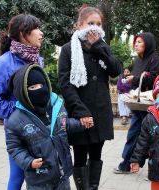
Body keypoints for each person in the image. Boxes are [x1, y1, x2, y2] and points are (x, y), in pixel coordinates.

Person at [58, 6, 122, 190]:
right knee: (80, 156)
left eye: (98, 24)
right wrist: (80, 112)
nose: (94, 27)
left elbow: (115, 70)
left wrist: (100, 47)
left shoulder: (102, 46)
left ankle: (93, 187)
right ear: (79, 25)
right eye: (90, 23)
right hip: (80, 112)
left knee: (96, 154)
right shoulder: (68, 49)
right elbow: (65, 84)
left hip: (101, 112)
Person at [6, 64, 85, 190]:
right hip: (39, 180)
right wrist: (28, 162)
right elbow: (14, 147)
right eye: (32, 87)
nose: (39, 90)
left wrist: (82, 123)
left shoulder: (57, 106)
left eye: (41, 85)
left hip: (63, 174)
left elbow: (65, 124)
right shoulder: (15, 120)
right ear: (22, 92)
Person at [0, 14, 44, 190]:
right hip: (18, 132)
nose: (41, 33)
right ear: (23, 33)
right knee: (17, 176)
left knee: (43, 174)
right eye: (36, 29)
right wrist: (22, 109)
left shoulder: (38, 59)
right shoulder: (3, 63)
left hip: (41, 126)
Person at [114, 32, 159, 174]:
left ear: (147, 43)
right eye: (135, 42)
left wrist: (134, 79)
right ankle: (126, 163)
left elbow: (156, 80)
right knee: (133, 134)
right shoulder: (138, 60)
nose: (136, 44)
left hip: (150, 106)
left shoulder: (155, 59)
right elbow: (136, 78)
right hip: (138, 105)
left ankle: (154, 168)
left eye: (140, 42)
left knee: (152, 137)